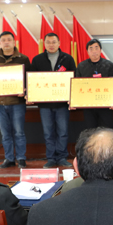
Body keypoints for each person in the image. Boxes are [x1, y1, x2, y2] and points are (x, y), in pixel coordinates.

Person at [30, 32, 76, 168]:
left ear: (59, 43)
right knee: (48, 132)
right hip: (45, 104)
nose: (51, 45)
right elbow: (32, 80)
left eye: (54, 42)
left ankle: (61, 157)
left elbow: (74, 79)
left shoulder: (67, 59)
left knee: (63, 132)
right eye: (48, 42)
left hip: (62, 103)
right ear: (44, 44)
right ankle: (51, 158)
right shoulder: (37, 59)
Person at [0, 30, 31, 168]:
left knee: (19, 132)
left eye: (9, 40)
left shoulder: (23, 59)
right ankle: (9, 158)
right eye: (3, 40)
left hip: (17, 102)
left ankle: (21, 158)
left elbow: (29, 79)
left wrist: (25, 90)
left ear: (14, 42)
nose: (6, 42)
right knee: (5, 134)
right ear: (0, 43)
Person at [75, 38, 113, 130]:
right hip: (88, 104)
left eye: (96, 48)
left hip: (105, 104)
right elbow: (77, 85)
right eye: (91, 48)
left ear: (100, 50)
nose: (94, 51)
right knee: (91, 131)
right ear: (87, 51)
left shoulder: (109, 65)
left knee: (107, 130)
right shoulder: (81, 66)